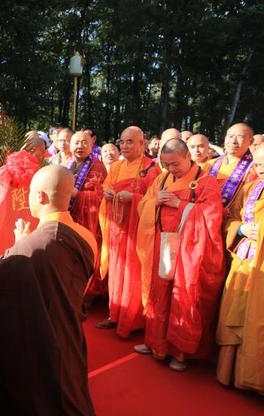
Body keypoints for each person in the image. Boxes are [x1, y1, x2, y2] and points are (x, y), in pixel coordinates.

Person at [0, 165, 101, 416]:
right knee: (69, 382)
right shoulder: (86, 237)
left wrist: (18, 246)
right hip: (68, 326)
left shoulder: (34, 245)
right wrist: (25, 243)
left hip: (40, 334)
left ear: (41, 197)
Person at [135, 139, 224, 371]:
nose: (170, 169)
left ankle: (180, 352)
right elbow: (143, 203)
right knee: (160, 293)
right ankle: (155, 343)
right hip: (164, 243)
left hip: (189, 250)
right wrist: (154, 202)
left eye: (175, 164)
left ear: (188, 157)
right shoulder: (162, 178)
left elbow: (212, 216)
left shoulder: (206, 182)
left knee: (182, 297)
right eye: (165, 164)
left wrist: (180, 204)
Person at [97, 126, 160, 336]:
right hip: (117, 227)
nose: (124, 146)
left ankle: (132, 320)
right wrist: (107, 193)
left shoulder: (152, 169)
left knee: (133, 272)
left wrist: (133, 198)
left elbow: (155, 200)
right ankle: (114, 314)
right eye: (122, 142)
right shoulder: (116, 166)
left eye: (130, 142)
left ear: (142, 143)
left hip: (137, 230)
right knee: (117, 270)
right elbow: (106, 186)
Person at [216, 147, 264, 393]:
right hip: (244, 262)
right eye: (257, 164)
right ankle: (231, 374)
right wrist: (242, 230)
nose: (261, 169)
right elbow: (230, 218)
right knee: (236, 313)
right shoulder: (249, 189)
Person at [68, 131, 108, 297]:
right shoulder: (67, 164)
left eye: (84, 143)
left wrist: (77, 194)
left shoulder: (97, 166)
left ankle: (87, 294)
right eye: (76, 142)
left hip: (89, 222)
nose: (80, 146)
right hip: (69, 218)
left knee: (86, 256)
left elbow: (100, 197)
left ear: (92, 145)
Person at [207, 123, 256, 209]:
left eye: (240, 137)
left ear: (251, 142)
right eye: (230, 136)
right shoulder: (209, 165)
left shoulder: (254, 169)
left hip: (233, 218)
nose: (233, 141)